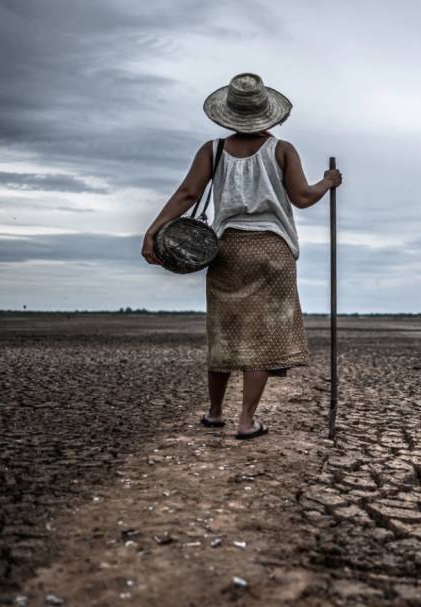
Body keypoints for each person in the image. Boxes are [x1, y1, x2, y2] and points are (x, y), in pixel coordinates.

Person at [141, 72, 342, 440]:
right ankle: (246, 421)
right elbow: (302, 197)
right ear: (268, 113)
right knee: (262, 337)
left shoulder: (213, 150)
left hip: (227, 248)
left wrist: (154, 229)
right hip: (273, 250)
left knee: (224, 331)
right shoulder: (281, 149)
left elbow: (187, 194)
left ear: (229, 114)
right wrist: (327, 183)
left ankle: (215, 413)